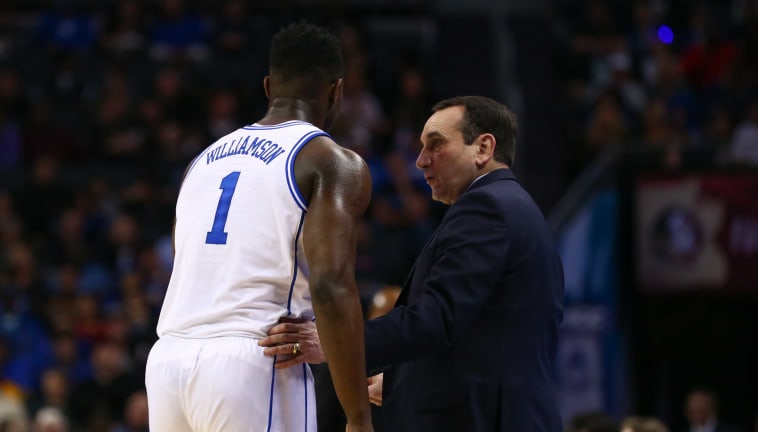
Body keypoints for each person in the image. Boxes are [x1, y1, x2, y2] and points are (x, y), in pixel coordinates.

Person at [260, 95, 565, 431]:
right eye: (421, 147)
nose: (420, 161)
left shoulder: (487, 208)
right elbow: (477, 342)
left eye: (435, 145)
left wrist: (335, 341)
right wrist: (398, 385)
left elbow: (437, 318)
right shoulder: (512, 207)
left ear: (483, 148)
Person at [144, 22, 374, 432]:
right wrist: (357, 416)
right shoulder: (329, 159)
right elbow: (332, 284)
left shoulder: (202, 161)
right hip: (255, 358)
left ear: (269, 87)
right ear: (336, 90)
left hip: (168, 362)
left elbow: (189, 264)